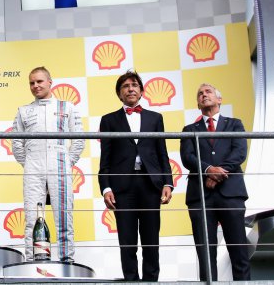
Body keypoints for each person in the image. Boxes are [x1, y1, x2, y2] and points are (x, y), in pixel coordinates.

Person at [98, 69, 173, 281]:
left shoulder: (155, 118)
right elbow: (105, 158)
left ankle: (151, 282)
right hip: (122, 188)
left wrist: (168, 183)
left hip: (151, 185)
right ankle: (131, 282)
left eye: (134, 85)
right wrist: (106, 187)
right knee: (127, 241)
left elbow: (162, 153)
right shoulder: (108, 120)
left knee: (151, 240)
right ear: (119, 93)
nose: (130, 89)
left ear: (141, 91)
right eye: (125, 86)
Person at [12, 66, 85, 262]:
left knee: (64, 217)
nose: (35, 86)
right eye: (32, 83)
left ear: (50, 82)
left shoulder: (67, 107)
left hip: (59, 166)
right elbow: (17, 143)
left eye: (39, 81)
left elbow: (79, 140)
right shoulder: (23, 110)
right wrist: (29, 163)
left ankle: (66, 260)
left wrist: (66, 162)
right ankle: (33, 262)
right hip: (33, 168)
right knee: (32, 219)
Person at [180, 83, 251, 281]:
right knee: (206, 255)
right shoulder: (188, 129)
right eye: (200, 94)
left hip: (231, 194)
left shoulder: (235, 124)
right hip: (200, 196)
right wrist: (208, 170)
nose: (204, 95)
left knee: (239, 252)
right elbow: (187, 157)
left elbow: (239, 152)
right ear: (197, 104)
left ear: (219, 99)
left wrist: (217, 173)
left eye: (208, 92)